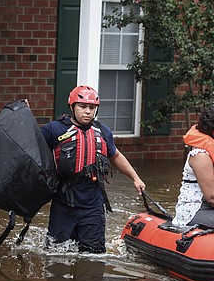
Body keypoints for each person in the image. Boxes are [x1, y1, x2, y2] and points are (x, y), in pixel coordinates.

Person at [40, 85, 145, 253]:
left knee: (94, 257)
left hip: (93, 203)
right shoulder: (54, 130)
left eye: (92, 108)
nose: (87, 111)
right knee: (56, 255)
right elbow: (30, 149)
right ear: (72, 107)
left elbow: (116, 156)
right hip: (64, 201)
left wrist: (135, 178)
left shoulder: (103, 132)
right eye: (82, 107)